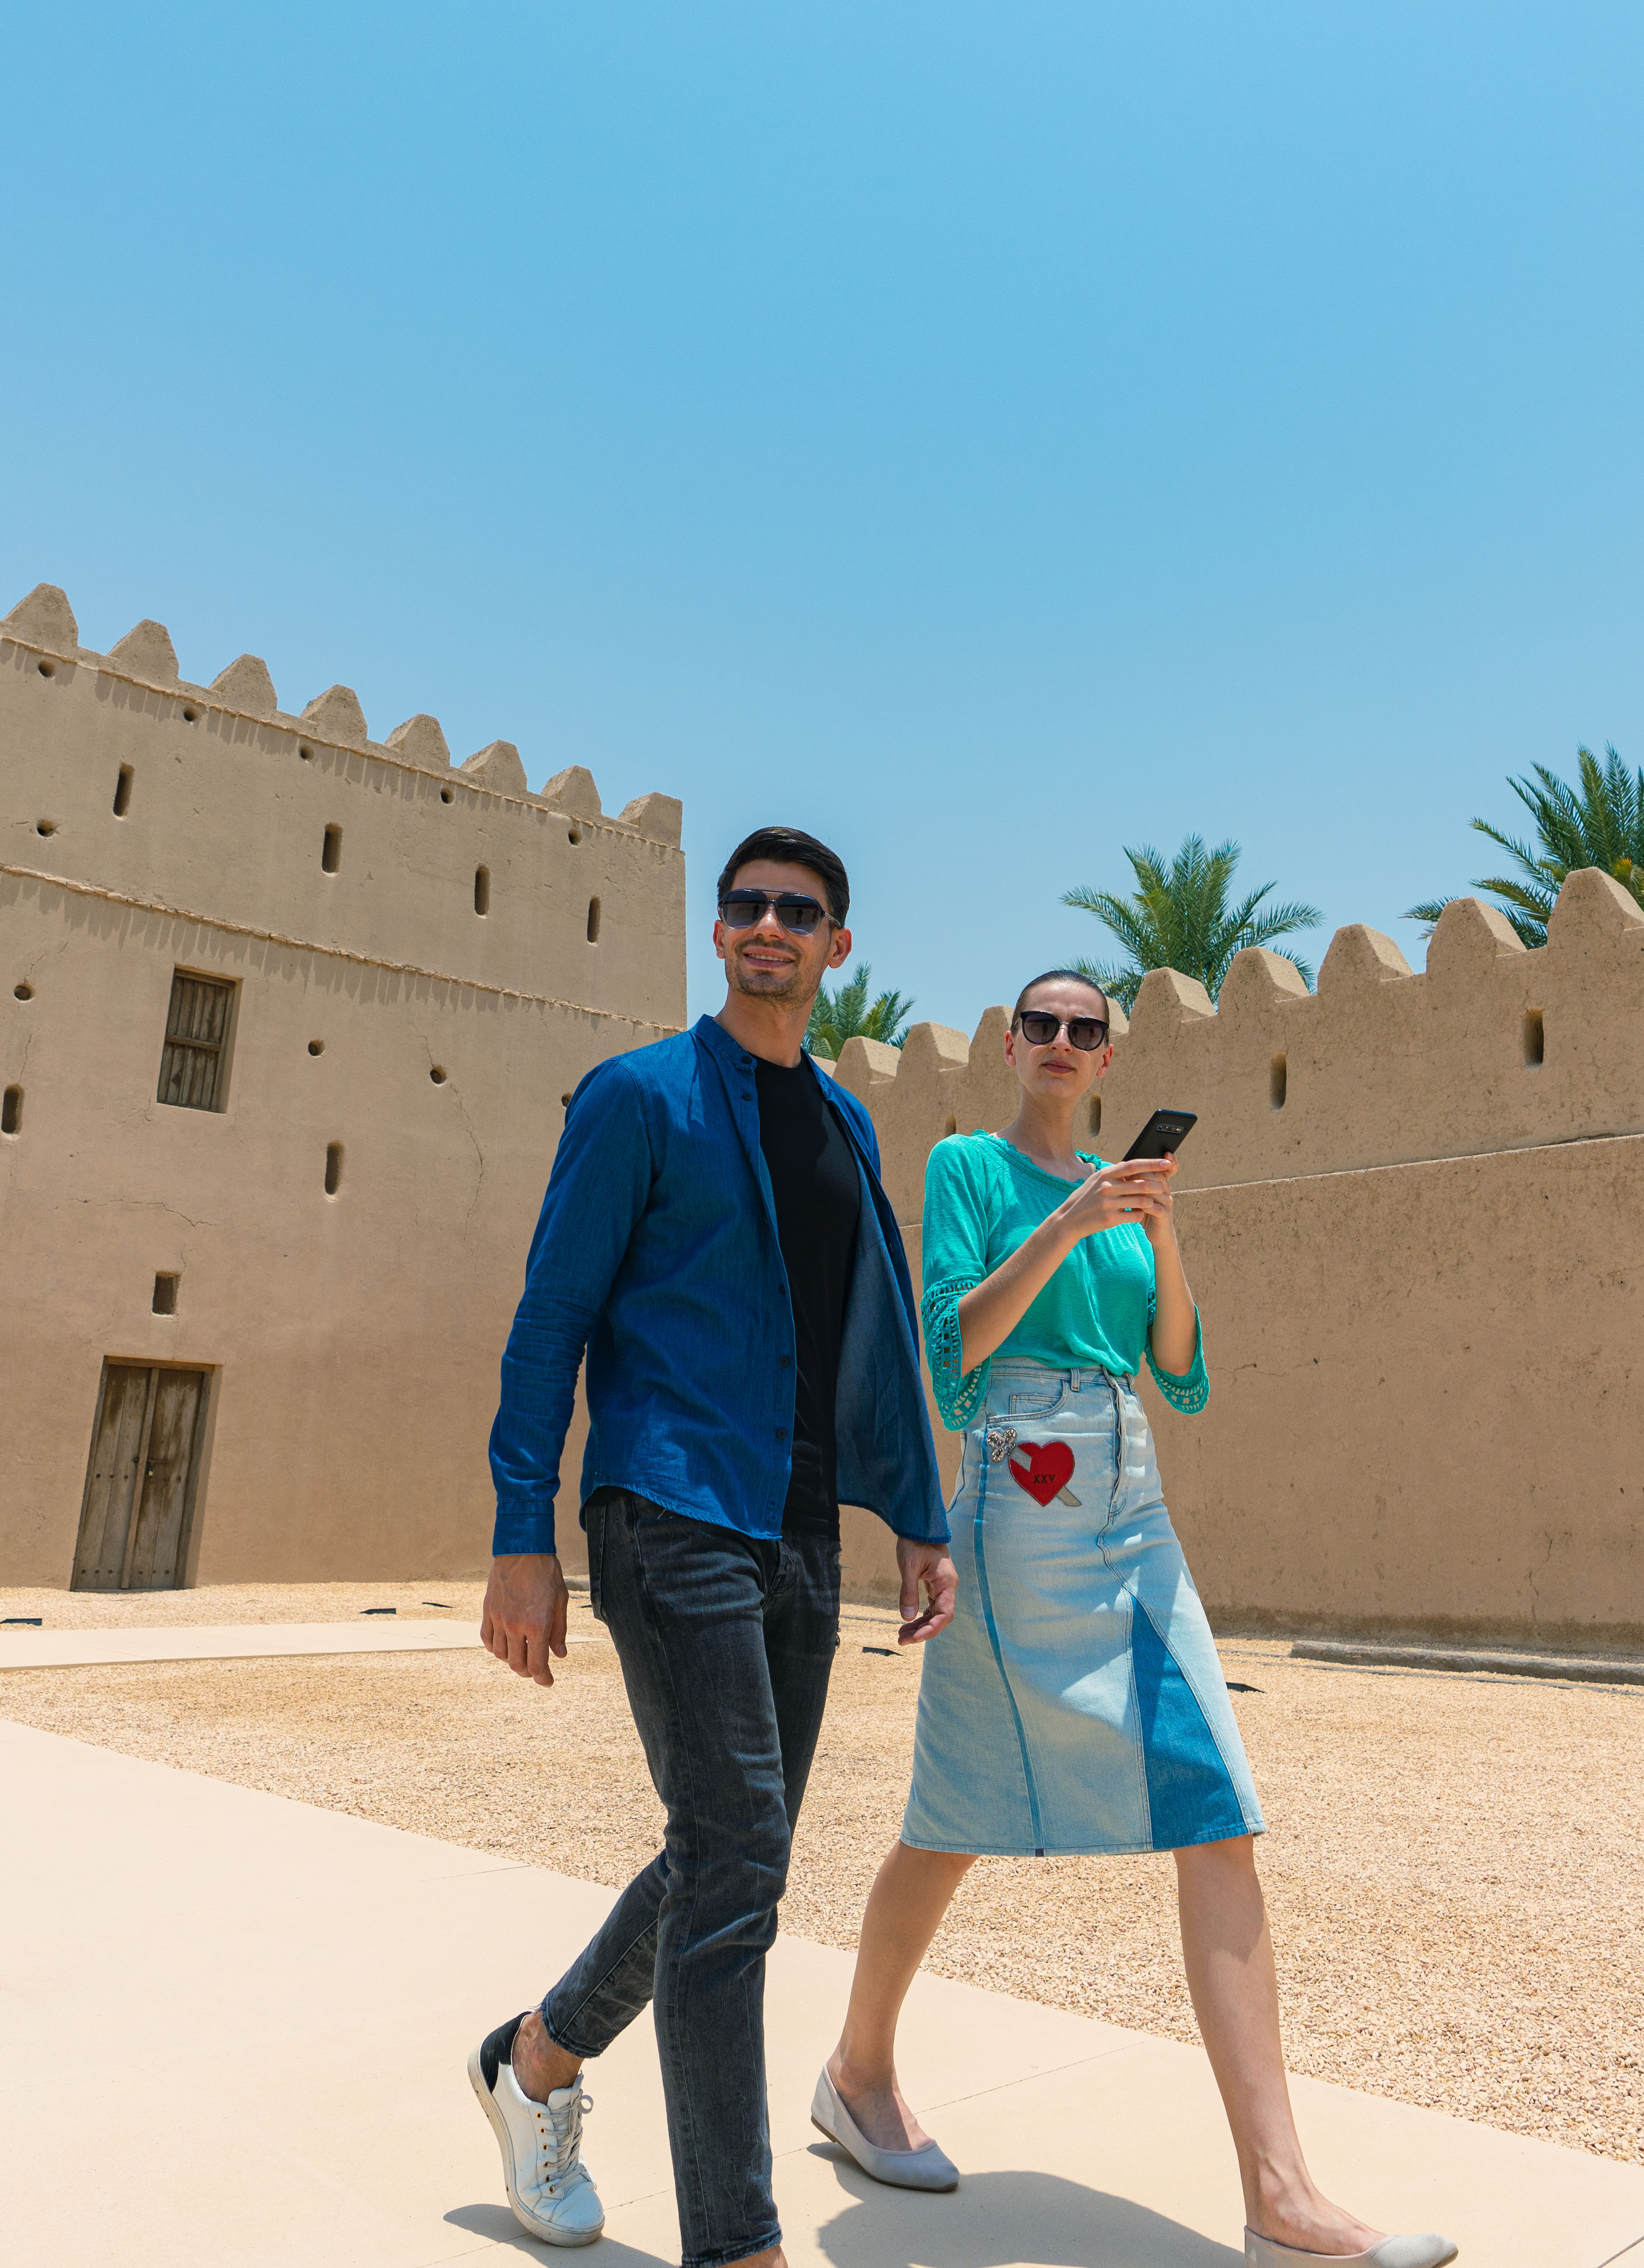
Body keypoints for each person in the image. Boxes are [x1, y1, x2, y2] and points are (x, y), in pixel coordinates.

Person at [814, 969, 1458, 2268]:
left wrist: (1156, 1230)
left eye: (1084, 1030)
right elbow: (955, 1352)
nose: (1060, 1043)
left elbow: (1181, 1368)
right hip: (1013, 1508)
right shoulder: (966, 1171)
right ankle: (856, 2072)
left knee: (1217, 1810)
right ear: (1010, 1045)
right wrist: (1067, 1225)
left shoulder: (1127, 1198)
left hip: (1132, 1508)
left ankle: (1281, 2192)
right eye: (1039, 1025)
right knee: (950, 1819)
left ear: (1112, 1058)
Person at [470, 826, 959, 2268]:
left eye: (796, 912)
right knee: (738, 1862)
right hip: (666, 1501)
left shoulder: (847, 1127)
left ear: (835, 947)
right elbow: (548, 1317)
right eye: (744, 906)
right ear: (719, 933)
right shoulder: (638, 1100)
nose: (766, 927)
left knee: (727, 1855)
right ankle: (736, 2245)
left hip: (796, 1527)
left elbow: (863, 1340)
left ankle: (534, 2063)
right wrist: (520, 1536)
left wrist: (916, 1515)